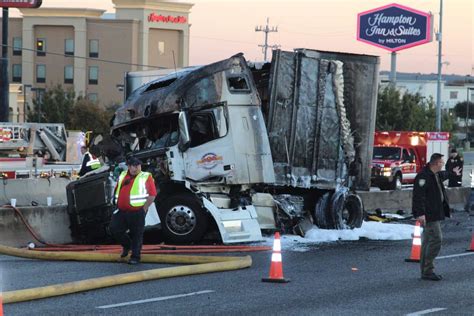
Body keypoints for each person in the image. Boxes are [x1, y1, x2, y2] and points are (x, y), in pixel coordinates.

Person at [412, 153, 461, 281]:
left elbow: (445, 174)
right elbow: (418, 196)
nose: (443, 164)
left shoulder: (436, 174)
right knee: (436, 240)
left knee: (427, 242)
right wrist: (420, 213)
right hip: (429, 215)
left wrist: (452, 172)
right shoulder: (423, 176)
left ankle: (425, 271)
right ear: (435, 163)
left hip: (435, 213)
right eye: (441, 163)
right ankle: (428, 270)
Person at [109, 157, 157, 265]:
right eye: (133, 166)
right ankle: (127, 246)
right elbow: (117, 189)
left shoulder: (145, 176)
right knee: (114, 229)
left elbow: (152, 195)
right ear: (129, 167)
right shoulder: (122, 175)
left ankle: (135, 257)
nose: (136, 168)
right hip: (121, 210)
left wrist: (143, 209)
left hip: (137, 211)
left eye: (138, 166)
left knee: (137, 234)